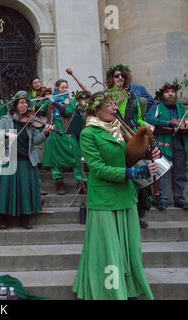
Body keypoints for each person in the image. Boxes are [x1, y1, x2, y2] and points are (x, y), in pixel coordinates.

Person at [72, 89, 160, 300]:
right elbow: (98, 169)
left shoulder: (118, 127)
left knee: (127, 248)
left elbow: (131, 154)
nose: (115, 108)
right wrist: (134, 172)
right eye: (110, 105)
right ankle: (109, 292)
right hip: (104, 199)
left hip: (125, 196)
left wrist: (151, 152)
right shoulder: (88, 133)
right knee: (108, 250)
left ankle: (127, 288)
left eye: (115, 105)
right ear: (97, 109)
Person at [0, 91, 53, 230]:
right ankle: (4, 219)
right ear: (15, 105)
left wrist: (45, 132)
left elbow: (37, 140)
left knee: (25, 191)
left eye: (26, 102)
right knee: (7, 191)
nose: (24, 105)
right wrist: (7, 134)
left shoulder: (31, 120)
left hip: (26, 160)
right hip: (10, 160)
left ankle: (25, 218)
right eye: (21, 102)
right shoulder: (6, 119)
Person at [106, 64, 153, 228]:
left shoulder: (133, 97)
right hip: (114, 137)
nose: (119, 78)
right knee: (120, 174)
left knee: (138, 176)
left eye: (122, 76)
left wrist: (146, 126)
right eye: (116, 76)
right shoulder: (106, 97)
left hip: (132, 137)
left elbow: (138, 118)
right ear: (111, 79)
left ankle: (138, 213)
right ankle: (116, 212)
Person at [144, 80, 188, 210]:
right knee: (162, 172)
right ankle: (162, 199)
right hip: (163, 144)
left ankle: (179, 198)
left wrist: (183, 124)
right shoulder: (156, 107)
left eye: (172, 92)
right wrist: (169, 123)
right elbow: (149, 119)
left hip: (179, 143)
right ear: (162, 95)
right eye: (167, 92)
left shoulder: (182, 108)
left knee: (180, 173)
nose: (170, 94)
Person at [41, 79, 88, 195]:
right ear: (57, 88)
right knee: (55, 157)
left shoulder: (71, 100)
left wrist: (53, 100)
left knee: (76, 155)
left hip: (67, 130)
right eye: (62, 87)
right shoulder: (52, 100)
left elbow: (66, 112)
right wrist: (43, 100)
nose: (65, 89)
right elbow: (41, 111)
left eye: (66, 87)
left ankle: (81, 182)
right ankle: (59, 182)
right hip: (54, 130)